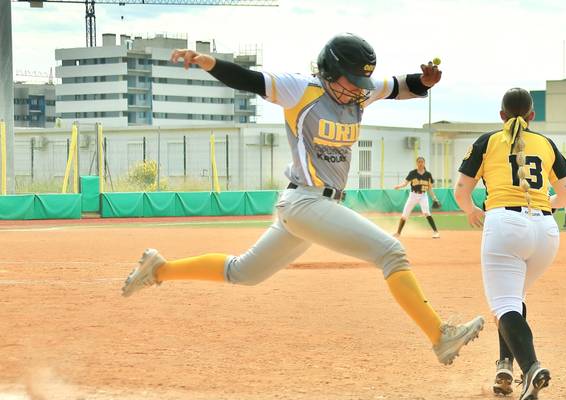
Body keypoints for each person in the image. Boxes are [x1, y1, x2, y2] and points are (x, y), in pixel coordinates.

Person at [121, 33, 484, 365]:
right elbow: (250, 80)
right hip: (305, 202)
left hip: (312, 206)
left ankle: (159, 269)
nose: (358, 90)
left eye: (362, 83)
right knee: (391, 252)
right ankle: (440, 336)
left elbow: (399, 87)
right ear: (328, 72)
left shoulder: (359, 90)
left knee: (243, 272)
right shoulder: (300, 90)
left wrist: (424, 82)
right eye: (351, 81)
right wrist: (207, 62)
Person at [453, 88, 566, 400]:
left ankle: (531, 367)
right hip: (546, 231)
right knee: (513, 300)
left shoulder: (489, 141)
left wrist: (470, 211)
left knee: (505, 306)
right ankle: (504, 367)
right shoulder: (546, 144)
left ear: (501, 116)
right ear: (532, 116)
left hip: (505, 225)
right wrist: (547, 202)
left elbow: (460, 189)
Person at [393, 156, 441, 238]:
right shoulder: (412, 173)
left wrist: (434, 198)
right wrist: (399, 186)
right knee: (405, 214)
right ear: (416, 163)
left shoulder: (428, 175)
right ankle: (398, 233)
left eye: (422, 162)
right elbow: (405, 183)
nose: (420, 163)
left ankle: (436, 232)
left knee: (426, 212)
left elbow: (430, 188)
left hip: (423, 195)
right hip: (413, 195)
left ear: (424, 163)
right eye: (419, 162)